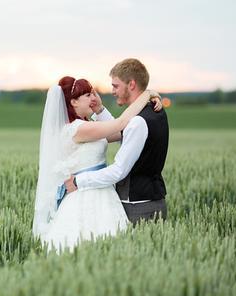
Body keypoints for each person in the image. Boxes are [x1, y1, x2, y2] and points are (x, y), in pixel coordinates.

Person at [32, 75, 161, 251]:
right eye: (87, 95)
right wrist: (146, 95)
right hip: (85, 194)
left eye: (92, 93)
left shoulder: (88, 125)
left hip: (101, 189)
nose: (93, 98)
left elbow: (119, 133)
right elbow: (121, 124)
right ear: (74, 102)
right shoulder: (78, 129)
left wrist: (100, 109)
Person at [65, 58, 169, 224]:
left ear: (132, 85)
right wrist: (99, 110)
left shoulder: (137, 122)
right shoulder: (155, 112)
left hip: (137, 207)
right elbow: (119, 131)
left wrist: (78, 181)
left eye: (116, 85)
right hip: (151, 200)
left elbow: (119, 170)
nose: (112, 91)